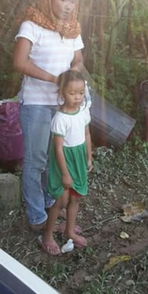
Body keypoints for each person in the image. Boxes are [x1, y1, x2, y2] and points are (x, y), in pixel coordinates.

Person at [13, 0, 85, 232]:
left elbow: (78, 61)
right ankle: (37, 218)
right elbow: (20, 62)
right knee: (36, 162)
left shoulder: (73, 30)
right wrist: (55, 79)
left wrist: (73, 77)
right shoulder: (31, 25)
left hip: (61, 107)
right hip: (36, 105)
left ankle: (48, 206)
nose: (68, 5)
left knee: (55, 160)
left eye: (73, 1)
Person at [38, 70, 92, 255]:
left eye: (81, 93)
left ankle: (69, 230)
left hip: (79, 159)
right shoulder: (60, 119)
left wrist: (89, 157)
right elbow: (58, 149)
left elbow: (86, 134)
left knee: (76, 197)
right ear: (62, 93)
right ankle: (47, 235)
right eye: (72, 93)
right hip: (64, 161)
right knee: (61, 200)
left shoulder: (83, 111)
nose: (77, 97)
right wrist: (65, 173)